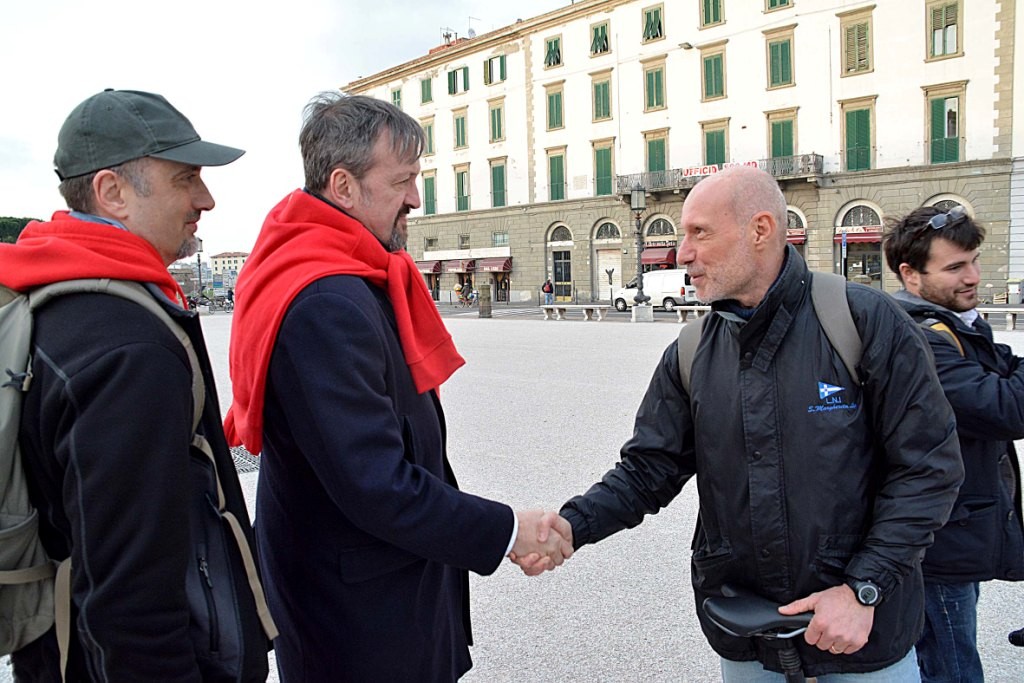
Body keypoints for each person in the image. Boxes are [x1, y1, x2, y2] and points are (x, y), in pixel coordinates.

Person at [529, 166, 964, 681]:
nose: (682, 253)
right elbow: (648, 469)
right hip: (747, 634)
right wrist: (573, 525)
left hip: (862, 636)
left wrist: (863, 589)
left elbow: (928, 468)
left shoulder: (863, 321)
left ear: (760, 230)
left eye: (700, 233)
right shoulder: (691, 351)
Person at [223, 92, 572, 682]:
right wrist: (508, 530)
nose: (415, 198)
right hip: (357, 620)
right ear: (343, 186)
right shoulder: (325, 302)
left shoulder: (352, 274)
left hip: (382, 594)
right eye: (403, 180)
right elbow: (375, 483)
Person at [0, 89, 272, 681]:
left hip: (55, 652)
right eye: (186, 178)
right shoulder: (128, 347)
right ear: (112, 192)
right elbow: (130, 601)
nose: (206, 199)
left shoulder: (49, 293)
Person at [882, 205, 1024, 682]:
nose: (973, 277)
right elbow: (1007, 406)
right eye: (956, 267)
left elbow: (1005, 370)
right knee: (954, 668)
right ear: (911, 274)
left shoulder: (953, 322)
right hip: (939, 539)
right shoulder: (920, 338)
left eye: (974, 261)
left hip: (957, 526)